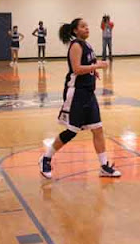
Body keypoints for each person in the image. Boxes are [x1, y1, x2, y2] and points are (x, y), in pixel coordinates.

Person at [39, 18, 120, 179]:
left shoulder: (87, 45)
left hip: (88, 93)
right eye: (83, 26)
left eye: (87, 26)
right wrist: (96, 66)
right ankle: (46, 158)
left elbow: (88, 61)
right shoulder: (75, 45)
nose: (87, 28)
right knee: (71, 131)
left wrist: (93, 69)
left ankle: (104, 166)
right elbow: (76, 69)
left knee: (98, 129)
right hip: (76, 92)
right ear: (75, 30)